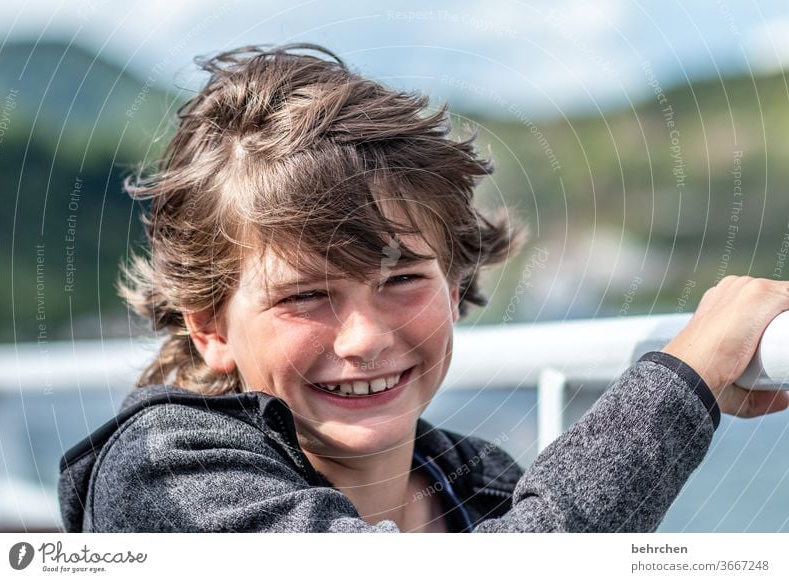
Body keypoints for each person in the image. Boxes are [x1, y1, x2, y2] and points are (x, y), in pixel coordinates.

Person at [58, 43, 789, 533]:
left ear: (455, 281)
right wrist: (685, 378)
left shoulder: (481, 481)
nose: (367, 336)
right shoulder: (163, 473)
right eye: (306, 295)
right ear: (211, 327)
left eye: (402, 278)